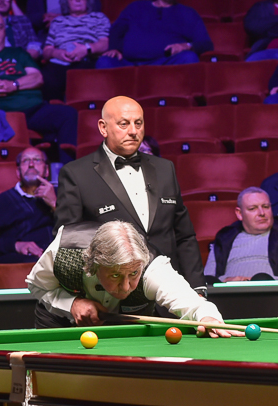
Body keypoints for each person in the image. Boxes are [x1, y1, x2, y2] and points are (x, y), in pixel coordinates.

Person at [53, 96, 205, 290]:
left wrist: (197, 287)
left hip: (169, 290)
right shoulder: (77, 174)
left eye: (138, 123)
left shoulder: (165, 169)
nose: (133, 131)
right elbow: (68, 245)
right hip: (113, 293)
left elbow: (184, 236)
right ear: (103, 128)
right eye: (123, 124)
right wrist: (80, 296)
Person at [29, 220, 233, 335]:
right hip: (59, 326)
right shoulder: (64, 250)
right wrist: (72, 303)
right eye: (115, 275)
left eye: (133, 274)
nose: (126, 286)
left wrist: (208, 318)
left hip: (124, 335)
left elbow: (191, 302)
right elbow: (37, 285)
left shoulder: (152, 268)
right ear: (94, 266)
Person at [0, 12, 77, 149]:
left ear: (5, 31)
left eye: (0, 27)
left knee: (68, 114)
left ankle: (68, 163)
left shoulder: (19, 53)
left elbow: (37, 78)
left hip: (30, 110)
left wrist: (13, 85)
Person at [96, 0, 213, 68]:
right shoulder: (136, 7)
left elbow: (206, 44)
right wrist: (115, 49)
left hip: (165, 64)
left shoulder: (188, 13)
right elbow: (117, 30)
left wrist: (185, 46)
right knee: (104, 61)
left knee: (189, 57)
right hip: (129, 64)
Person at [207, 188, 278, 282]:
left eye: (266, 207)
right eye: (252, 209)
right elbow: (207, 279)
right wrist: (225, 281)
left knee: (261, 279)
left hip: (273, 294)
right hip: (228, 294)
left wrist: (267, 282)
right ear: (239, 214)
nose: (261, 213)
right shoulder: (224, 238)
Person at [40, 0, 110, 100]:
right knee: (46, 77)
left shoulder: (99, 18)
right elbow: (46, 50)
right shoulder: (58, 22)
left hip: (87, 60)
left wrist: (86, 49)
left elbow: (104, 43)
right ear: (66, 0)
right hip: (60, 62)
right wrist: (57, 53)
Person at [0, 147, 55, 262]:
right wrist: (17, 245)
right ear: (18, 172)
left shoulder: (62, 195)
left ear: (47, 170)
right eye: (25, 160)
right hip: (21, 260)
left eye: (37, 160)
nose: (31, 164)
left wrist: (54, 204)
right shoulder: (2, 201)